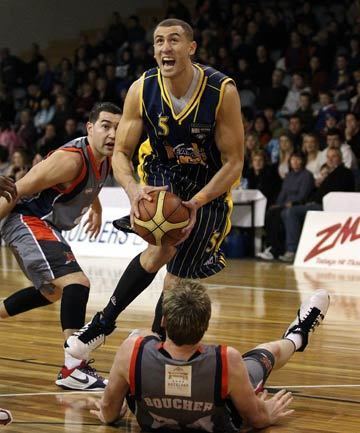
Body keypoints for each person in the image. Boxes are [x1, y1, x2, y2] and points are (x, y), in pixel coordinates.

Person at [65, 18, 244, 360]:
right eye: (159, 41)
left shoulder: (222, 91)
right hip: (163, 172)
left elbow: (233, 162)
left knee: (178, 276)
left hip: (208, 183)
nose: (165, 48)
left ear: (191, 48)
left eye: (174, 40)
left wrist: (197, 202)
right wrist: (132, 190)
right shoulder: (141, 88)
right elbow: (120, 152)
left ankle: (158, 345)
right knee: (160, 250)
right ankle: (102, 324)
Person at [90, 280, 330, 431]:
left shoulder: (131, 350)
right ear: (206, 325)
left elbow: (109, 413)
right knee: (269, 352)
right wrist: (268, 413)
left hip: (152, 417)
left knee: (138, 336)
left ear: (163, 321)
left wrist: (107, 413)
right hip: (219, 414)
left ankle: (298, 335)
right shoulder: (226, 359)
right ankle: (297, 336)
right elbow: (256, 419)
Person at [0, 102, 122, 390]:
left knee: (53, 292)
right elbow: (16, 189)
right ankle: (73, 368)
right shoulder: (71, 160)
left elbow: (91, 185)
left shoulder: (105, 157)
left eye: (117, 127)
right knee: (77, 282)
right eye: (106, 125)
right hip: (26, 219)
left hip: (46, 225)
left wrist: (97, 208)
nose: (113, 133)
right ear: (90, 128)